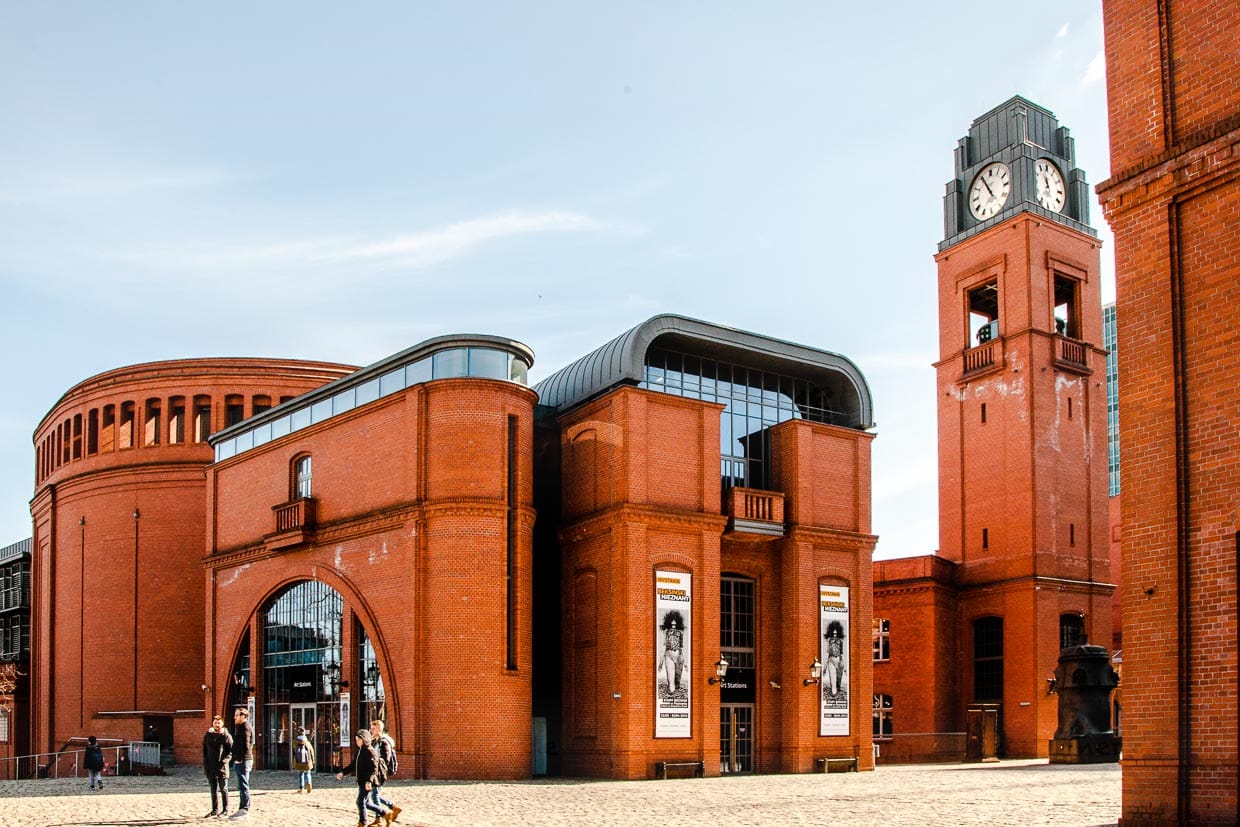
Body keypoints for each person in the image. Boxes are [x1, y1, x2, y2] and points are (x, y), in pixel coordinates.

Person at [336, 729, 389, 827]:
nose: (357, 741)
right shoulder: (360, 751)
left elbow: (374, 768)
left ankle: (363, 822)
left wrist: (369, 781)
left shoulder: (370, 751)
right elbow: (353, 765)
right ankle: (385, 813)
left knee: (360, 802)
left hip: (367, 782)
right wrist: (343, 772)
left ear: (364, 739)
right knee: (366, 803)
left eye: (359, 739)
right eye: (356, 739)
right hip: (361, 781)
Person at [368, 720, 402, 823]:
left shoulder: (384, 742)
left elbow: (386, 759)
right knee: (375, 794)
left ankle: (378, 818)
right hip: (375, 771)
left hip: (379, 772)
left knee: (374, 795)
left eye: (373, 729)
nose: (371, 731)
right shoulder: (376, 741)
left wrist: (378, 767)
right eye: (371, 728)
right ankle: (393, 807)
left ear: (379, 729)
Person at [202, 715, 234, 817]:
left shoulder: (226, 736)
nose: (217, 725)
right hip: (210, 766)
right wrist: (206, 762)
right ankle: (214, 809)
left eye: (219, 723)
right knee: (213, 789)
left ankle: (225, 810)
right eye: (215, 723)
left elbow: (231, 751)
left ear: (222, 724)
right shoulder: (208, 736)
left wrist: (224, 761)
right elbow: (204, 750)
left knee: (223, 789)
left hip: (222, 767)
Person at [230, 707, 254, 819]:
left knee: (243, 785)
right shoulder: (241, 727)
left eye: (237, 715)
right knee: (241, 785)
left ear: (243, 716)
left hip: (243, 760)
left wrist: (239, 758)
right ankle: (242, 808)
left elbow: (246, 745)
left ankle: (245, 809)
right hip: (242, 760)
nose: (234, 717)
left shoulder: (245, 727)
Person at [291, 728, 316, 794]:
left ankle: (301, 788)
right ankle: (308, 782)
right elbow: (311, 752)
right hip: (307, 761)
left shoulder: (295, 742)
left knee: (301, 774)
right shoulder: (307, 743)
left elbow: (294, 751)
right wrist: (313, 760)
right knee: (308, 773)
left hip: (298, 761)